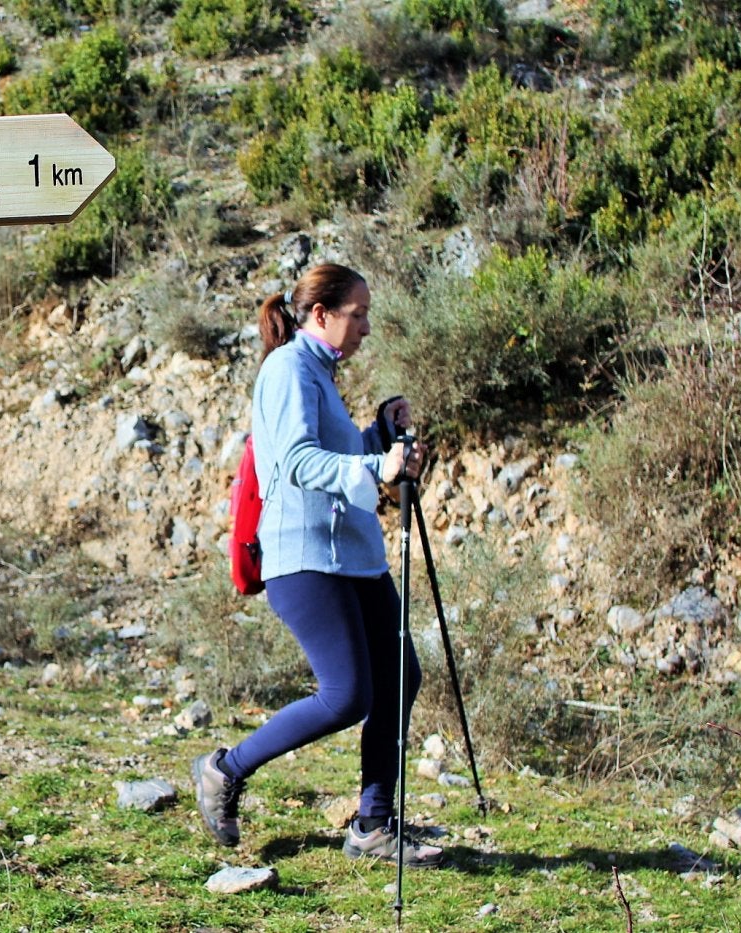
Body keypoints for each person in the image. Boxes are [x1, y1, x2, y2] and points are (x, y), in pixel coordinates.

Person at [191, 262, 443, 868]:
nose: (366, 328)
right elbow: (300, 461)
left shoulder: (322, 374)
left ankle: (372, 826)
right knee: (347, 694)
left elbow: (339, 453)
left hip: (352, 556)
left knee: (400, 676)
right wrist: (374, 468)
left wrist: (379, 433)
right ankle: (224, 769)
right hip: (305, 556)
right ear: (322, 314)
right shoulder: (288, 369)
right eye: (358, 315)